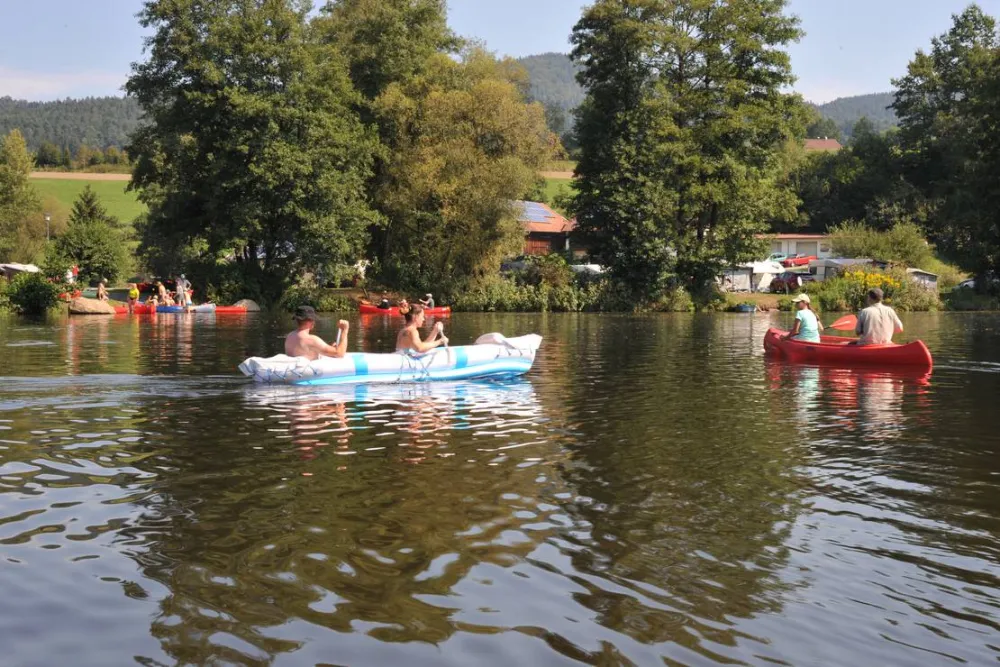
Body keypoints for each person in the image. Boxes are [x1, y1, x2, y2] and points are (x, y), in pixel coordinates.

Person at [285, 306, 349, 360]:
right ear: (311, 321)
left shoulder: (289, 336)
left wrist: (331, 349)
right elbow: (340, 354)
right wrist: (345, 330)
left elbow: (308, 351)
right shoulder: (312, 340)